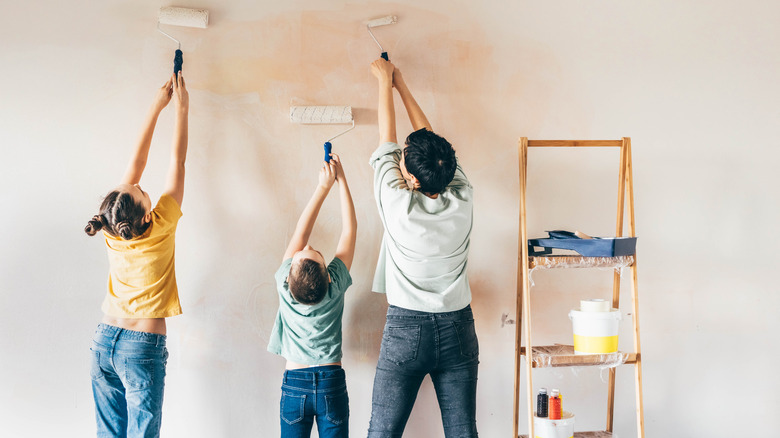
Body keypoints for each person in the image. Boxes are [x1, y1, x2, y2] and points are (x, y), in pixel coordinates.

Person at [367, 58, 479, 438]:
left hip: (405, 329)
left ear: (411, 179)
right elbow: (432, 145)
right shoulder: (462, 194)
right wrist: (399, 84)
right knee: (464, 433)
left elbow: (386, 142)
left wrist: (385, 83)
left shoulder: (398, 203)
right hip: (458, 329)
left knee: (381, 434)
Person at [85, 72, 189, 437]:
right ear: (147, 214)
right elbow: (176, 163)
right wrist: (181, 109)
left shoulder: (111, 229)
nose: (141, 184)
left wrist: (156, 105)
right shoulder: (160, 226)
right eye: (144, 192)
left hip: (104, 338)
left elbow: (136, 163)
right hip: (140, 347)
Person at [267, 153, 357, 438]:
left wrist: (322, 187)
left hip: (295, 383)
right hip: (331, 382)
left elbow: (300, 231)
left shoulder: (284, 282)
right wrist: (341, 180)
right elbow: (350, 230)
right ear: (328, 275)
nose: (307, 244)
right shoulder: (335, 285)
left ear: (289, 274)